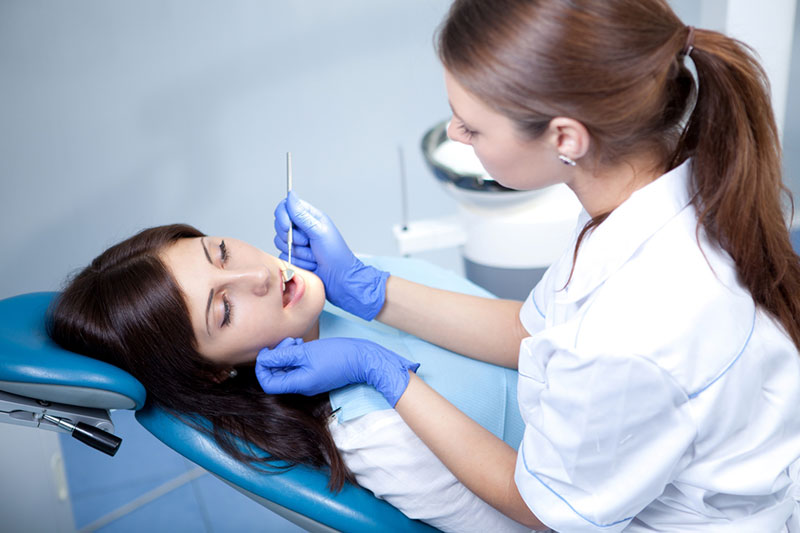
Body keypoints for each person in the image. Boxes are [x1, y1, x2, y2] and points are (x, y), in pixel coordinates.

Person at [257, 0, 800, 531]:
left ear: (565, 137)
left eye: (473, 127)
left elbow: (540, 509)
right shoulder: (660, 187)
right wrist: (364, 288)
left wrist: (385, 373)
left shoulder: (634, 331)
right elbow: (533, 329)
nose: (454, 133)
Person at [47, 223, 530, 533]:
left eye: (220, 253)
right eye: (226, 308)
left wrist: (373, 290)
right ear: (216, 371)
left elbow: (537, 336)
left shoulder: (355, 282)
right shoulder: (378, 436)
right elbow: (544, 522)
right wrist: (379, 369)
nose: (255, 276)